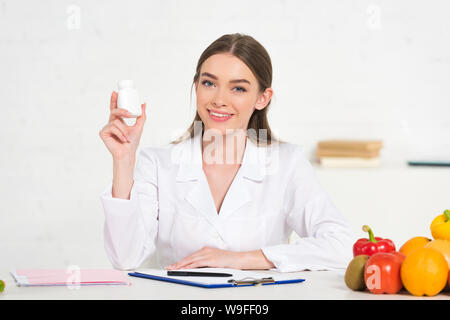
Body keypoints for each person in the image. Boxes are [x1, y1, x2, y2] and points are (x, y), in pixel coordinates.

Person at [99, 33, 355, 272]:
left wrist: (241, 259)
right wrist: (124, 161)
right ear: (196, 86)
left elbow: (343, 246)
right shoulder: (157, 163)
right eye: (209, 83)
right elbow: (125, 258)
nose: (219, 99)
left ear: (262, 98)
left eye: (238, 88)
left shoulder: (287, 163)